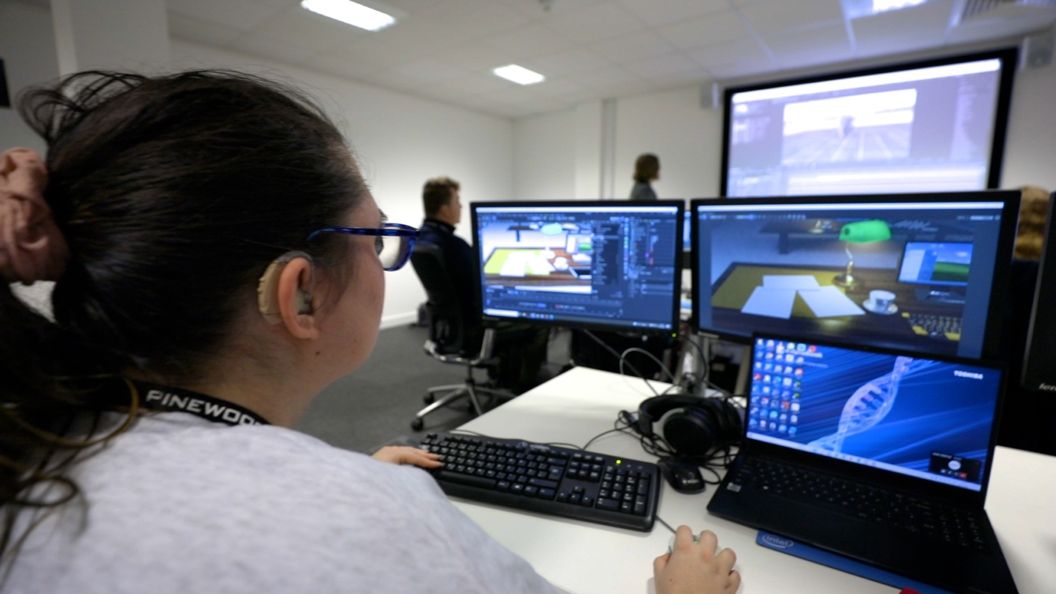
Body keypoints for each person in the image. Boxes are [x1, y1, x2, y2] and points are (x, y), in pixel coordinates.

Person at [0, 70, 740, 594]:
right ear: (301, 297)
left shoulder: (38, 449)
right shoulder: (364, 523)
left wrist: (347, 487)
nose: (391, 256)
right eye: (377, 237)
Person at [417, 176, 549, 394]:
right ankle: (525, 384)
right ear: (443, 208)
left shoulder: (422, 239)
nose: (460, 206)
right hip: (475, 328)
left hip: (446, 328)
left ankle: (504, 374)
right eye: (457, 200)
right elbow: (485, 287)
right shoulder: (453, 246)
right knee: (538, 321)